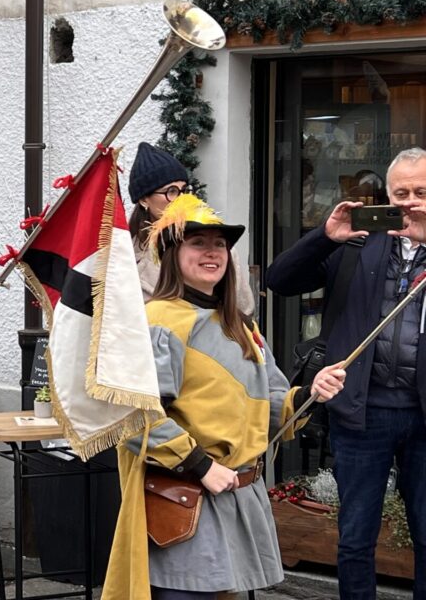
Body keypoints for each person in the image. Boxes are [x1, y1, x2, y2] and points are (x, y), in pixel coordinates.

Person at [105, 193, 346, 600]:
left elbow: (270, 408)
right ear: (172, 253)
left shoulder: (242, 327)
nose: (212, 252)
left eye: (219, 244)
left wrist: (308, 394)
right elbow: (133, 413)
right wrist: (199, 466)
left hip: (238, 501)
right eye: (197, 243)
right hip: (187, 500)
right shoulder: (159, 321)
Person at [266, 147, 426, 600]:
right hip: (361, 412)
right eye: (401, 192)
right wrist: (325, 235)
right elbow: (280, 280)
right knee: (356, 537)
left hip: (425, 417)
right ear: (386, 196)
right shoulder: (357, 244)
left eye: (421, 192)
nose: (411, 201)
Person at [129, 142, 256, 314]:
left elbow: (242, 310)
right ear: (144, 200)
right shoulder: (127, 255)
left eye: (184, 190)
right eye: (171, 191)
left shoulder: (219, 245)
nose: (180, 199)